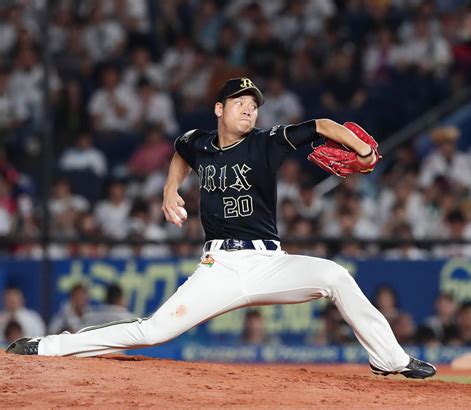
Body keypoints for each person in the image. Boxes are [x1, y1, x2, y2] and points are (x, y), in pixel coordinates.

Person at [7, 77, 436, 379]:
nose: (249, 109)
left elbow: (322, 126)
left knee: (336, 276)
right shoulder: (198, 141)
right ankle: (50, 346)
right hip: (220, 266)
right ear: (220, 108)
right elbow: (180, 150)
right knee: (152, 332)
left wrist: (362, 149)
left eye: (253, 105)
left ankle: (390, 359)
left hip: (270, 263)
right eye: (240, 102)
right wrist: (169, 191)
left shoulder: (266, 142)